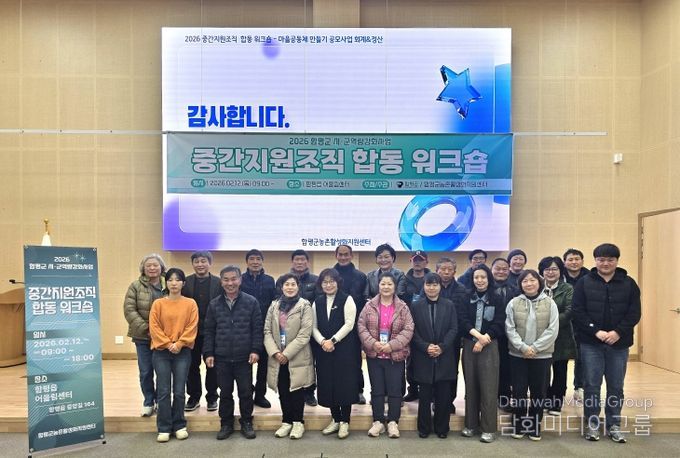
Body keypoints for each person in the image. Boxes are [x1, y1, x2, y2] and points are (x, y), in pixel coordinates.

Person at [572, 243, 641, 443]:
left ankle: (614, 425)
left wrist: (618, 332)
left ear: (617, 261)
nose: (605, 263)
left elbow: (634, 313)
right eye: (601, 259)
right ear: (595, 261)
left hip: (619, 343)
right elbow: (578, 311)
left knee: (616, 386)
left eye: (610, 260)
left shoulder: (629, 283)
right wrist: (596, 331)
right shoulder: (584, 282)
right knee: (591, 385)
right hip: (591, 343)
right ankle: (592, 425)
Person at [203, 265, 263, 440]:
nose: (230, 283)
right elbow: (209, 331)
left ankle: (247, 422)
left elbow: (257, 329)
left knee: (246, 392)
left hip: (244, 357)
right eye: (226, 280)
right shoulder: (214, 304)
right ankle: (226, 423)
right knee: (225, 393)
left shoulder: (251, 302)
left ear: (240, 280)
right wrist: (208, 353)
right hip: (221, 357)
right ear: (221, 282)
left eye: (233, 279)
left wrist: (255, 350)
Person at [358, 272, 414, 439]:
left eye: (389, 284)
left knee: (395, 391)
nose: (386, 287)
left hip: (395, 356)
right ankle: (378, 421)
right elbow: (361, 326)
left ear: (395, 287)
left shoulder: (403, 307)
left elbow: (408, 329)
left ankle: (393, 422)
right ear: (378, 286)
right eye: (383, 284)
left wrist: (392, 345)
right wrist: (372, 343)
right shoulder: (369, 306)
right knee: (377, 390)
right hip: (374, 355)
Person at [505, 270, 559, 441]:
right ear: (520, 284)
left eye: (532, 280)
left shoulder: (550, 303)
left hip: (542, 356)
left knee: (539, 392)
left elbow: (552, 329)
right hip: (517, 355)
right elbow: (509, 328)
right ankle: (519, 425)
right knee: (519, 391)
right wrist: (522, 347)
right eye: (525, 281)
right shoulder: (514, 303)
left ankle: (534, 426)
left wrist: (535, 348)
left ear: (539, 282)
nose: (529, 284)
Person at [149, 268, 198, 442]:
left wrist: (179, 343)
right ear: (166, 283)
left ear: (183, 283)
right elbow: (154, 327)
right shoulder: (158, 304)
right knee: (163, 391)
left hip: (182, 351)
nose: (174, 283)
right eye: (170, 280)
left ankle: (179, 425)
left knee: (179, 391)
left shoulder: (190, 303)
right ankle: (163, 427)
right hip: (161, 352)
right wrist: (168, 344)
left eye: (178, 280)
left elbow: (192, 326)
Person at [264, 274, 315, 440]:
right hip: (277, 356)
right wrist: (276, 353)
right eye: (287, 284)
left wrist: (286, 354)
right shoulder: (274, 305)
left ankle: (298, 422)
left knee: (297, 390)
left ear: (298, 287)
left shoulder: (304, 305)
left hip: (297, 356)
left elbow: (305, 334)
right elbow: (267, 331)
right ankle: (286, 421)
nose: (290, 287)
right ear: (281, 287)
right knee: (283, 389)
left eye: (293, 284)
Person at [459, 265, 505, 443]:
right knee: (470, 387)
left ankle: (489, 429)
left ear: (489, 279)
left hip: (490, 345)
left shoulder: (497, 298)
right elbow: (462, 319)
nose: (479, 280)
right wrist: (477, 337)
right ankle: (471, 425)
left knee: (489, 387)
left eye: (483, 277)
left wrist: (485, 338)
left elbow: (500, 322)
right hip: (470, 344)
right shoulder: (465, 297)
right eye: (476, 277)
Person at [312, 268, 359, 439]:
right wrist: (322, 342)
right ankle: (335, 419)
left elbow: (349, 324)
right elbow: (313, 326)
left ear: (338, 282)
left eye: (331, 281)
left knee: (344, 384)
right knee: (328, 382)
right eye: (325, 282)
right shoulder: (317, 301)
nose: (328, 285)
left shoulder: (347, 299)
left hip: (344, 350)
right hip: (323, 349)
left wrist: (333, 341)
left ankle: (345, 421)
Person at [410, 273, 458, 439]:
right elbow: (412, 331)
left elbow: (453, 328)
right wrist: (426, 347)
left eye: (435, 284)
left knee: (443, 395)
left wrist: (442, 347)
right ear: (424, 286)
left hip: (444, 355)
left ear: (440, 286)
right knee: (424, 396)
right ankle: (424, 428)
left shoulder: (449, 305)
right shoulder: (416, 306)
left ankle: (442, 428)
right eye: (428, 284)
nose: (431, 288)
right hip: (423, 355)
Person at [124, 253, 167, 417]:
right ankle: (148, 401)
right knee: (146, 371)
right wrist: (147, 329)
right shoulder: (135, 286)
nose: (152, 268)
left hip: (164, 338)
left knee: (163, 372)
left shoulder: (169, 284)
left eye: (155, 265)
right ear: (143, 268)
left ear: (161, 267)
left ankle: (162, 401)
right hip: (143, 337)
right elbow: (129, 310)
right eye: (148, 265)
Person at [181, 251, 222, 412]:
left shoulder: (218, 283)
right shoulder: (186, 283)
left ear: (210, 263)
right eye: (197, 261)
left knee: (212, 365)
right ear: (192, 264)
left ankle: (212, 397)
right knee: (191, 366)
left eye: (203, 261)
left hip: (212, 332)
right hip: (190, 332)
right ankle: (194, 397)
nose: (200, 264)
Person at [278, 249, 319, 406]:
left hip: (309, 328)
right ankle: (292, 390)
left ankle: (309, 392)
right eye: (297, 259)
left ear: (307, 261)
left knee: (309, 362)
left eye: (303, 259)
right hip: (288, 329)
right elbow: (278, 302)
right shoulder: (283, 279)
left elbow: (318, 302)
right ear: (292, 262)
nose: (300, 262)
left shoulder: (315, 280)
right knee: (290, 360)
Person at [538, 256, 577, 416]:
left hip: (562, 336)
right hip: (540, 336)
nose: (550, 272)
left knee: (560, 371)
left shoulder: (567, 288)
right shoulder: (537, 286)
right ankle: (545, 399)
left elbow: (570, 311)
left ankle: (556, 402)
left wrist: (550, 323)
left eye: (554, 269)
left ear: (560, 271)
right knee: (542, 371)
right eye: (547, 269)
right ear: (542, 271)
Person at [240, 249, 277, 409]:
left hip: (265, 328)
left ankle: (260, 395)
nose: (255, 262)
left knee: (263, 365)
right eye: (252, 259)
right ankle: (247, 393)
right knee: (245, 364)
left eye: (258, 259)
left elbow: (274, 303)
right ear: (247, 262)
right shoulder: (240, 279)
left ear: (262, 261)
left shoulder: (269, 280)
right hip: (244, 328)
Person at [332, 244, 368, 405]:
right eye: (340, 254)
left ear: (351, 255)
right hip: (334, 325)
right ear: (336, 255)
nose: (343, 257)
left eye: (346, 254)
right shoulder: (330, 275)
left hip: (354, 326)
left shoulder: (361, 276)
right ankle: (337, 390)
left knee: (355, 360)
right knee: (336, 360)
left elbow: (365, 301)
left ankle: (358, 391)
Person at [434, 257, 467, 414]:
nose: (446, 272)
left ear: (455, 271)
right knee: (433, 368)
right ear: (437, 270)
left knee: (451, 370)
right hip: (433, 337)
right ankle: (435, 400)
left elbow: (463, 314)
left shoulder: (462, 289)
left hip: (453, 338)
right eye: (443, 269)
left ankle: (449, 400)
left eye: (450, 269)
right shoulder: (430, 286)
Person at [398, 250, 430, 402]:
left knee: (427, 357)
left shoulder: (432, 279)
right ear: (411, 261)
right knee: (410, 359)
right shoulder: (404, 280)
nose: (417, 262)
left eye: (421, 260)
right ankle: (413, 389)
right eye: (415, 260)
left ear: (426, 262)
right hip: (409, 324)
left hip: (428, 323)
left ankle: (427, 390)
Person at [490, 258, 519, 411]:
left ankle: (504, 398)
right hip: (489, 335)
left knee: (506, 368)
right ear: (491, 269)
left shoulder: (515, 290)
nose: (501, 272)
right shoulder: (485, 289)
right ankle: (486, 398)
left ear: (509, 270)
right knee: (488, 368)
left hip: (509, 336)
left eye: (504, 269)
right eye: (497, 268)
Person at [563, 247, 589, 401]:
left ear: (582, 261)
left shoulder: (590, 277)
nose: (574, 262)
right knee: (561, 358)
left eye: (577, 259)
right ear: (565, 262)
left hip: (582, 323)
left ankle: (579, 387)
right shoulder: (559, 277)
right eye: (570, 259)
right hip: (563, 322)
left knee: (582, 356)